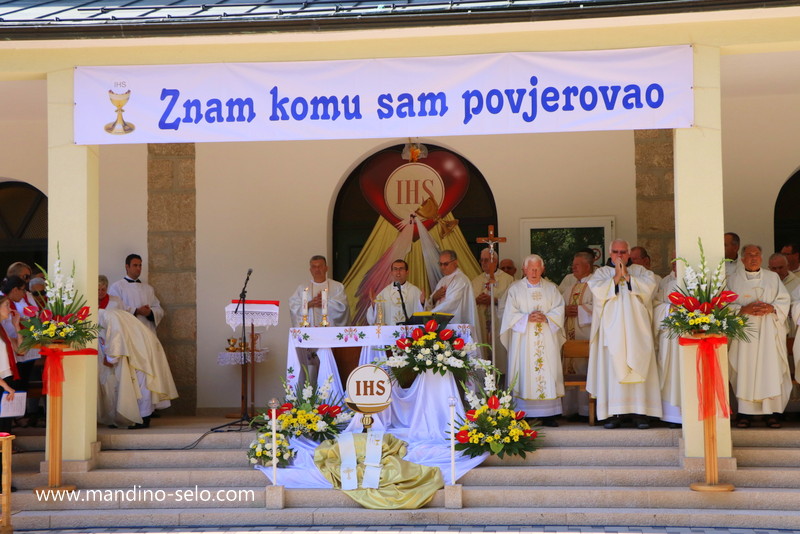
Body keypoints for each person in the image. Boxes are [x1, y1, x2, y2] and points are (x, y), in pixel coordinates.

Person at [587, 239, 662, 429]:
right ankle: (614, 413)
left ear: (628, 254)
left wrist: (627, 277)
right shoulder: (601, 273)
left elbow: (649, 289)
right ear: (609, 253)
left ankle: (640, 413)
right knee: (612, 372)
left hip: (638, 332)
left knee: (639, 367)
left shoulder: (641, 272)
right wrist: (615, 278)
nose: (619, 255)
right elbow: (597, 292)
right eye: (615, 252)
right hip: (611, 334)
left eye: (622, 252)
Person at [98, 275, 178, 429]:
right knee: (131, 382)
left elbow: (116, 338)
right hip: (137, 343)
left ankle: (144, 418)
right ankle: (127, 417)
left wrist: (110, 358)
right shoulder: (110, 315)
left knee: (143, 380)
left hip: (140, 348)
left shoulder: (109, 316)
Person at [728, 245, 791, 428]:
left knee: (769, 368)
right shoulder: (732, 280)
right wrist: (742, 309)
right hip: (744, 333)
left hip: (768, 333)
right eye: (749, 255)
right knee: (744, 368)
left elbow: (784, 300)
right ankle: (744, 413)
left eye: (757, 255)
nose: (753, 258)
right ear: (742, 259)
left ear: (761, 258)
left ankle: (772, 413)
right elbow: (724, 304)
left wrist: (771, 308)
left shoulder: (773, 278)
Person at [500, 254, 565, 427]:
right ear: (524, 269)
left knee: (547, 370)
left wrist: (547, 318)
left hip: (546, 338)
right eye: (531, 268)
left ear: (543, 269)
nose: (534, 272)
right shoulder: (515, 289)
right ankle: (524, 413)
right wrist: (526, 318)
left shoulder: (552, 289)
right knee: (525, 370)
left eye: (537, 268)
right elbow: (509, 314)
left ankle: (549, 414)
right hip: (524, 340)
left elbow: (560, 309)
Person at [559, 251, 594, 419]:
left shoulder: (596, 285)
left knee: (585, 368)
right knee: (569, 367)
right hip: (570, 337)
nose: (573, 268)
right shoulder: (570, 286)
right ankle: (570, 409)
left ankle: (586, 410)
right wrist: (564, 311)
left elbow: (600, 308)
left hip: (586, 337)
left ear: (587, 266)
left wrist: (579, 310)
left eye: (577, 265)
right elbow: (560, 306)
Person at [471, 248, 514, 367]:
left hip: (499, 323)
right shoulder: (476, 281)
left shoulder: (508, 279)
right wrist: (476, 300)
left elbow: (512, 302)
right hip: (482, 322)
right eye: (482, 260)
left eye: (487, 260)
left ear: (495, 261)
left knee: (499, 354)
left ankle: (501, 378)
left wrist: (495, 301)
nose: (484, 263)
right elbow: (468, 303)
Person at [652, 259, 682, 427]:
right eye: (674, 264)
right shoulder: (667, 286)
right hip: (670, 339)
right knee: (670, 374)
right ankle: (672, 416)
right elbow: (656, 307)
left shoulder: (697, 285)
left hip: (691, 337)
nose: (675, 267)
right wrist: (669, 309)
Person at [108, 254, 165, 335]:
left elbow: (159, 309)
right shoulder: (117, 287)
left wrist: (149, 313)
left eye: (140, 265)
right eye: (135, 265)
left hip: (147, 332)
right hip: (128, 332)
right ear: (127, 267)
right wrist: (136, 311)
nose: (138, 268)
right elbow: (114, 310)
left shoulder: (148, 288)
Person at [289, 255, 350, 327]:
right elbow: (293, 307)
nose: (317, 269)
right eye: (314, 267)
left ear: (326, 268)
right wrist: (308, 305)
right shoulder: (302, 288)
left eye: (320, 266)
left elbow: (343, 307)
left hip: (330, 330)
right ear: (310, 270)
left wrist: (326, 303)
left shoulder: (337, 287)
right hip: (309, 329)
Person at [426, 250, 479, 331]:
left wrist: (429, 315)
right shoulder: (442, 280)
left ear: (455, 262)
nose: (442, 267)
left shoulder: (461, 280)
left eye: (446, 264)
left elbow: (451, 304)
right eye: (440, 264)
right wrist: (434, 298)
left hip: (456, 323)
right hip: (441, 324)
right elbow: (433, 299)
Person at [366, 260, 423, 325]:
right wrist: (374, 305)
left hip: (409, 332)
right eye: (395, 269)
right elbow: (371, 319)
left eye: (401, 269)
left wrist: (422, 304)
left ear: (407, 272)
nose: (398, 272)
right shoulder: (384, 293)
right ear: (391, 272)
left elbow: (424, 313)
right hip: (390, 332)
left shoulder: (415, 291)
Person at [0, 295, 19, 436]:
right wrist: (5, 386)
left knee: (6, 421)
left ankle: (5, 454)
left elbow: (21, 349)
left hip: (7, 377)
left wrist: (16, 325)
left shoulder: (3, 329)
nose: (10, 308)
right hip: (2, 381)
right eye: (6, 305)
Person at [768, 253, 800, 338]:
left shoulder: (798, 283)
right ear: (769, 268)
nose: (778, 271)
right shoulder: (765, 284)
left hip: (792, 327)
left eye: (781, 267)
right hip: (771, 327)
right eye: (774, 268)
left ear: (788, 266)